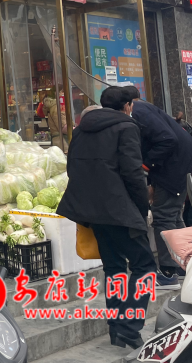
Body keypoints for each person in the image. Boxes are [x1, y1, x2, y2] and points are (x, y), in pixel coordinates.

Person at [57, 87, 156, 349]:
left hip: (93, 210)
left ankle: (117, 327)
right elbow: (133, 173)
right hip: (119, 209)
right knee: (145, 266)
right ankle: (129, 326)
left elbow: (72, 167)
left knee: (114, 267)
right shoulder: (126, 127)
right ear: (127, 106)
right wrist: (142, 208)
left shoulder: (81, 129)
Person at [121, 86, 192, 288]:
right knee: (173, 216)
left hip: (173, 165)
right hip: (179, 161)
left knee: (163, 216)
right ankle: (186, 265)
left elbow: (167, 140)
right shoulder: (143, 108)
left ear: (126, 105)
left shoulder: (138, 113)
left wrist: (146, 166)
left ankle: (167, 272)